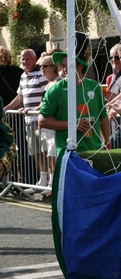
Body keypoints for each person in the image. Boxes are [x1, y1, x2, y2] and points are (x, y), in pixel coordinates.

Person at [38, 36, 110, 159]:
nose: (65, 70)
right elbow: (42, 121)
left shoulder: (94, 87)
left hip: (94, 150)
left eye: (69, 65)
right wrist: (71, 124)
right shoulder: (55, 90)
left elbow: (103, 116)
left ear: (80, 66)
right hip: (68, 153)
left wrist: (107, 142)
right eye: (63, 65)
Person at [5, 49, 48, 182]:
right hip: (28, 120)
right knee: (34, 152)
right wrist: (5, 109)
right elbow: (20, 97)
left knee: (45, 151)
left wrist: (35, 109)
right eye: (22, 59)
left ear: (35, 59)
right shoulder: (23, 75)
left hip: (40, 120)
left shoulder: (41, 74)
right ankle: (42, 179)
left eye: (27, 59)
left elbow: (47, 95)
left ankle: (50, 180)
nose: (24, 62)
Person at [34, 55, 61, 188]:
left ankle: (55, 183)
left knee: (53, 153)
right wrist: (32, 109)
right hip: (48, 126)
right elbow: (43, 103)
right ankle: (51, 182)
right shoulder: (49, 84)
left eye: (44, 66)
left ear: (53, 67)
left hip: (55, 124)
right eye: (40, 66)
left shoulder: (58, 82)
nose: (41, 69)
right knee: (49, 154)